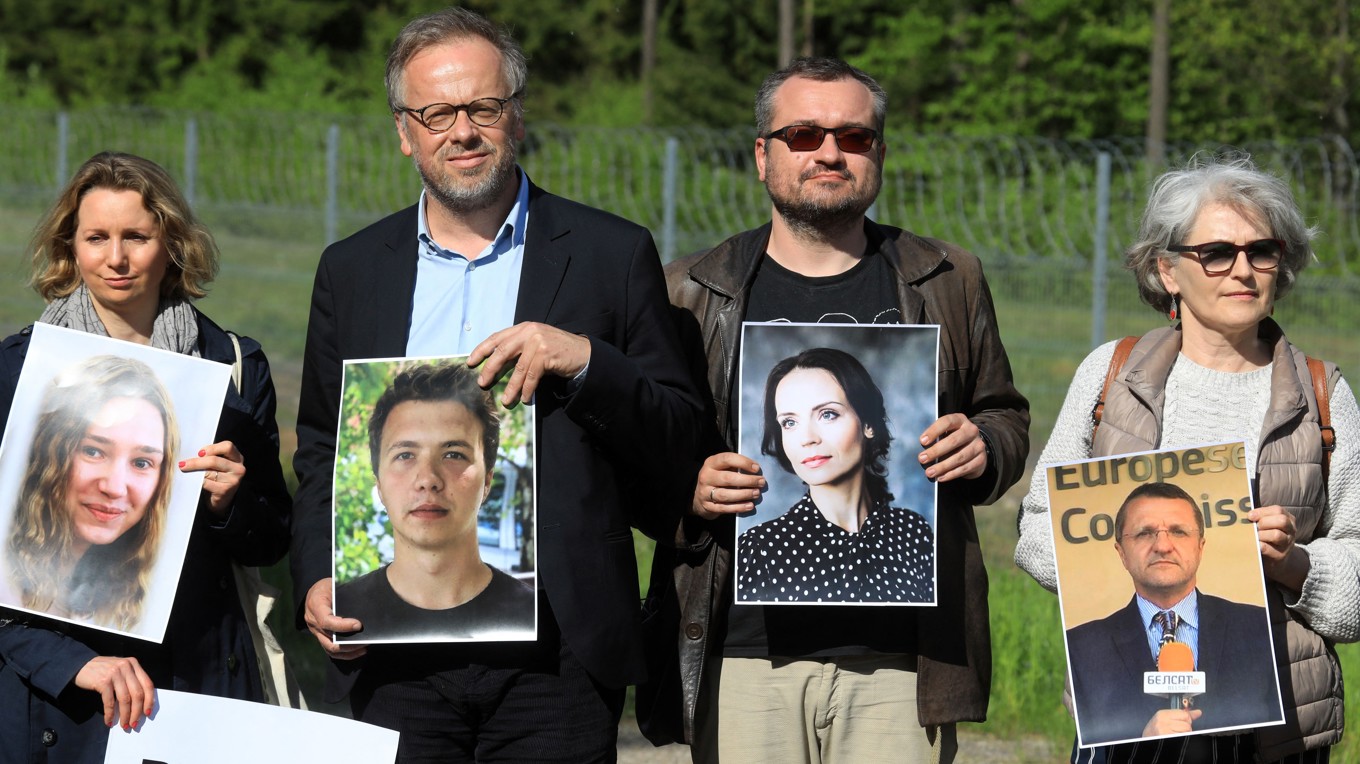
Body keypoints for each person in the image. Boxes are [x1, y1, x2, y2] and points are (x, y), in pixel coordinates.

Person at [287, 7, 700, 761]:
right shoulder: (352, 269)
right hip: (394, 650)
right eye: (436, 112)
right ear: (404, 131)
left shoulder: (612, 253)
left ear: (516, 115)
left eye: (483, 107)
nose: (463, 131)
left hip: (559, 651)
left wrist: (584, 358)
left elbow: (679, 434)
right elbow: (320, 446)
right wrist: (319, 576)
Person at [641, 57, 1030, 763]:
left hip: (904, 665)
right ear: (763, 155)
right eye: (804, 134)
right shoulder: (689, 292)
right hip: (746, 656)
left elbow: (1004, 414)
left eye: (853, 137)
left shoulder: (947, 277)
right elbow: (636, 462)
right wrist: (688, 495)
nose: (829, 152)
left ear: (878, 153)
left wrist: (986, 447)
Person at [1015, 154, 1358, 763]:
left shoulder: (1323, 395)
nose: (1243, 270)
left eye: (1262, 251)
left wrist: (1296, 564)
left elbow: (1355, 571)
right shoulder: (1111, 375)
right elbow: (1038, 527)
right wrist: (1122, 558)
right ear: (1167, 270)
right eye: (1217, 253)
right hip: (1128, 714)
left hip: (1275, 734)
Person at [0, 151, 292, 763]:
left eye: (137, 236)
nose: (116, 258)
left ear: (172, 244)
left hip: (194, 686)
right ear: (69, 246)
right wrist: (69, 663)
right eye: (96, 237)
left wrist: (230, 502)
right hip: (57, 697)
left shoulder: (234, 366)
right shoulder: (19, 370)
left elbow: (271, 541)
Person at [1065, 482, 1279, 747]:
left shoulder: (1259, 628)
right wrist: (1140, 742)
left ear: (1200, 547)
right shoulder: (1081, 647)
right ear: (1121, 553)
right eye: (1145, 533)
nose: (1163, 546)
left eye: (1178, 531)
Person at [334, 362, 534, 641]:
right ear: (378, 484)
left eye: (453, 454)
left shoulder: (530, 617)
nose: (428, 479)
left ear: (487, 481)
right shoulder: (342, 616)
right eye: (405, 455)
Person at [736, 347, 933, 603]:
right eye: (789, 422)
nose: (807, 438)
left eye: (827, 414)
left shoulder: (913, 531)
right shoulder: (759, 549)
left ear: (868, 424)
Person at [5, 355, 177, 631]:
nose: (114, 487)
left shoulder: (112, 607)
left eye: (141, 463)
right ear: (48, 451)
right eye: (93, 451)